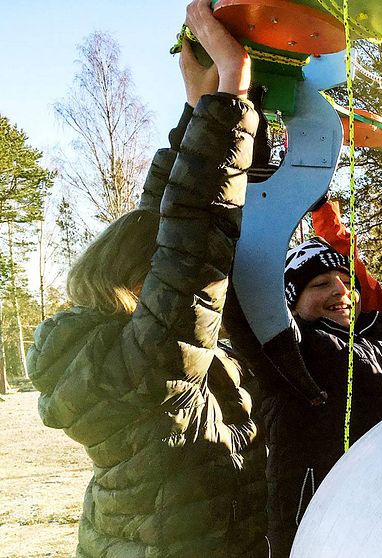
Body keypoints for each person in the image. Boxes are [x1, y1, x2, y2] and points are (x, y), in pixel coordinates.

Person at [27, 2, 268, 555]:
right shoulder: (149, 367)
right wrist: (230, 94)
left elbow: (165, 224)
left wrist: (199, 107)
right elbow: (191, 238)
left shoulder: (108, 357)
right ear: (145, 285)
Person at [264, 152, 382, 557]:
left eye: (346, 281)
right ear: (291, 302)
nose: (341, 291)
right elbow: (247, 289)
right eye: (321, 284)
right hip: (325, 521)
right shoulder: (291, 350)